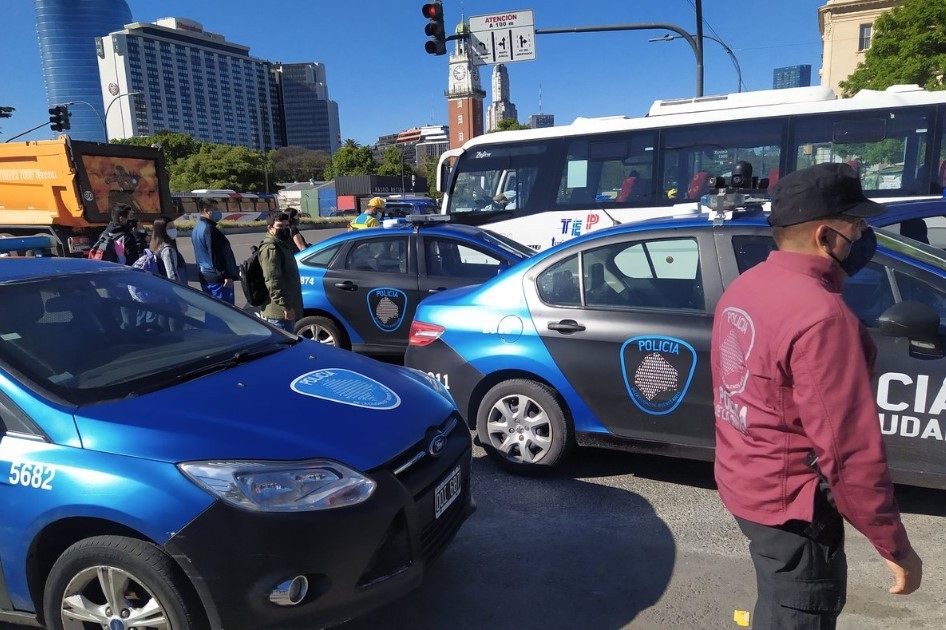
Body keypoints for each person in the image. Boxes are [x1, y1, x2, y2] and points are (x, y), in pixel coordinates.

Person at [711, 162, 922, 629]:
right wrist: (895, 547)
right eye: (858, 226)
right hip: (795, 506)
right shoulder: (822, 316)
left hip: (748, 483)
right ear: (826, 236)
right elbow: (850, 454)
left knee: (778, 601)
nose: (864, 235)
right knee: (798, 610)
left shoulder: (746, 286)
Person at [257, 212, 303, 333]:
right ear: (270, 228)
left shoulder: (282, 243)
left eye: (286, 226)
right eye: (280, 226)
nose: (284, 229)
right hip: (279, 314)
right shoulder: (271, 248)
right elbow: (273, 280)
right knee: (284, 343)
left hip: (285, 310)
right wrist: (286, 306)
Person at [191, 198, 240, 304]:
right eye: (215, 209)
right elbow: (215, 255)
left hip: (206, 276)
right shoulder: (210, 229)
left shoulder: (197, 228)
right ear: (206, 210)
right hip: (217, 280)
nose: (218, 212)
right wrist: (226, 276)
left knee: (212, 308)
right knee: (224, 309)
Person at [149, 216, 187, 284]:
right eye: (170, 227)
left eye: (174, 227)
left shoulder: (157, 246)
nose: (174, 229)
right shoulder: (168, 250)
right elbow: (173, 276)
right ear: (162, 231)